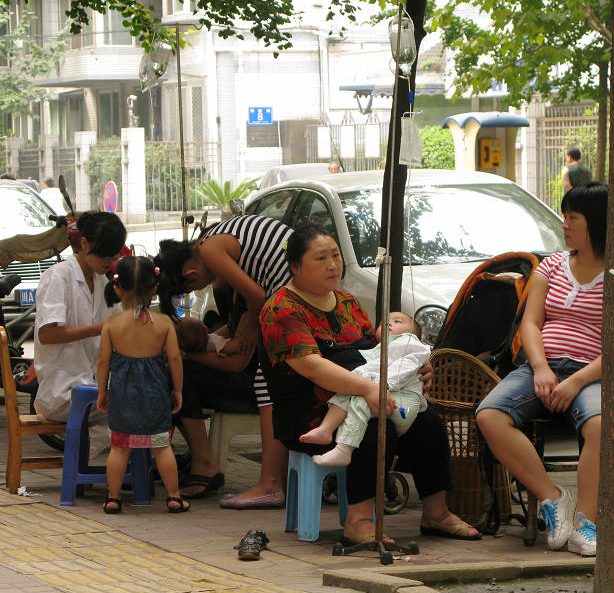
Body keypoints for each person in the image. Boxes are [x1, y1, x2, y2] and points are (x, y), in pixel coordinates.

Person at [260, 225, 482, 544]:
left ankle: (436, 513)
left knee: (428, 422)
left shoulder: (348, 303)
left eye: (335, 256)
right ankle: (359, 520)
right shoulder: (282, 309)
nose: (333, 265)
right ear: (295, 267)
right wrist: (367, 389)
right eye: (321, 258)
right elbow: (311, 366)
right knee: (378, 428)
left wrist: (417, 367)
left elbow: (381, 349)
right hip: (311, 414)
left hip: (371, 396)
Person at [476, 182, 614, 557]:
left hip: (592, 373)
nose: (565, 225)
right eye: (565, 216)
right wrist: (539, 369)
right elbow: (531, 325)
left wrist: (577, 382)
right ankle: (554, 500)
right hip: (543, 367)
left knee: (601, 425)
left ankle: (586, 523)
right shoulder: (550, 266)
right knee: (489, 415)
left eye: (573, 218)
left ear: (597, 224)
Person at [154, 214, 292, 505]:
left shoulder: (210, 250)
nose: (205, 286)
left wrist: (249, 323)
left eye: (193, 288)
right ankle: (274, 481)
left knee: (266, 380)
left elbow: (257, 297)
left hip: (289, 294)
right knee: (268, 379)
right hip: (289, 289)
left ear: (191, 275)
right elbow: (252, 302)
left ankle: (270, 484)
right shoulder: (218, 238)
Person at [97, 256, 189, 514]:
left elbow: (104, 361)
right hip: (155, 394)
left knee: (119, 447)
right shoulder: (164, 323)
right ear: (155, 288)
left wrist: (103, 391)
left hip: (123, 394)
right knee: (162, 446)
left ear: (118, 288)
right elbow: (174, 360)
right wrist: (178, 390)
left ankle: (113, 498)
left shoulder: (112, 325)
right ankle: (174, 496)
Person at [34, 212, 127, 450]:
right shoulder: (58, 277)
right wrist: (98, 329)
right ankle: (116, 467)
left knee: (146, 395)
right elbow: (47, 334)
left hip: (90, 384)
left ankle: (124, 467)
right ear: (84, 244)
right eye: (104, 254)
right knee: (134, 404)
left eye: (114, 255)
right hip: (60, 391)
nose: (109, 261)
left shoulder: (103, 283)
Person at [301, 311, 431, 467]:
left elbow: (402, 369)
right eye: (383, 322)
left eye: (397, 321)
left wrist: (381, 387)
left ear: (414, 332)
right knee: (352, 390)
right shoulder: (382, 347)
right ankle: (326, 429)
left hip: (403, 404)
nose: (388, 324)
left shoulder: (410, 342)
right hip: (388, 391)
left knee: (361, 399)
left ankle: (344, 449)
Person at [174, 316, 242, 356]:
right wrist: (241, 339)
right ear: (205, 327)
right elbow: (232, 347)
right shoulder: (214, 342)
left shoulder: (198, 350)